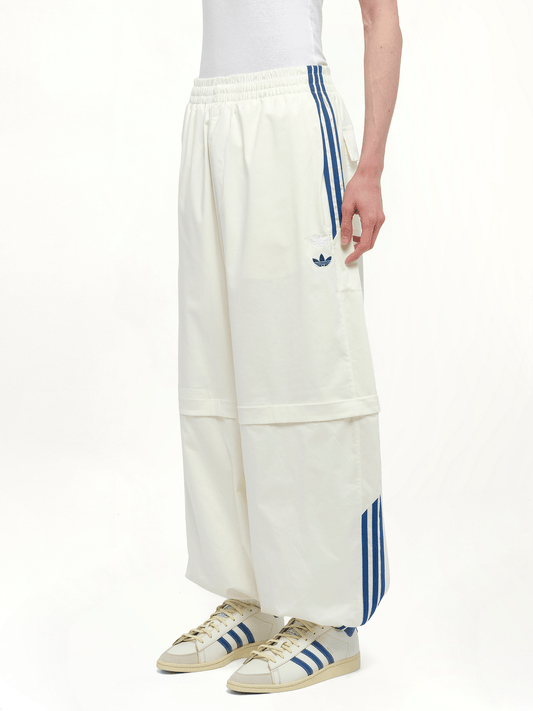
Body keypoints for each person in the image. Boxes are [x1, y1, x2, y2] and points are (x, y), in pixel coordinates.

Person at [157, 0, 402, 694]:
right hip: (210, 114)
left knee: (310, 363)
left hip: (291, 116)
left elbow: (381, 19)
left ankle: (332, 618)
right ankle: (251, 596)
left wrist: (369, 168)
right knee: (217, 371)